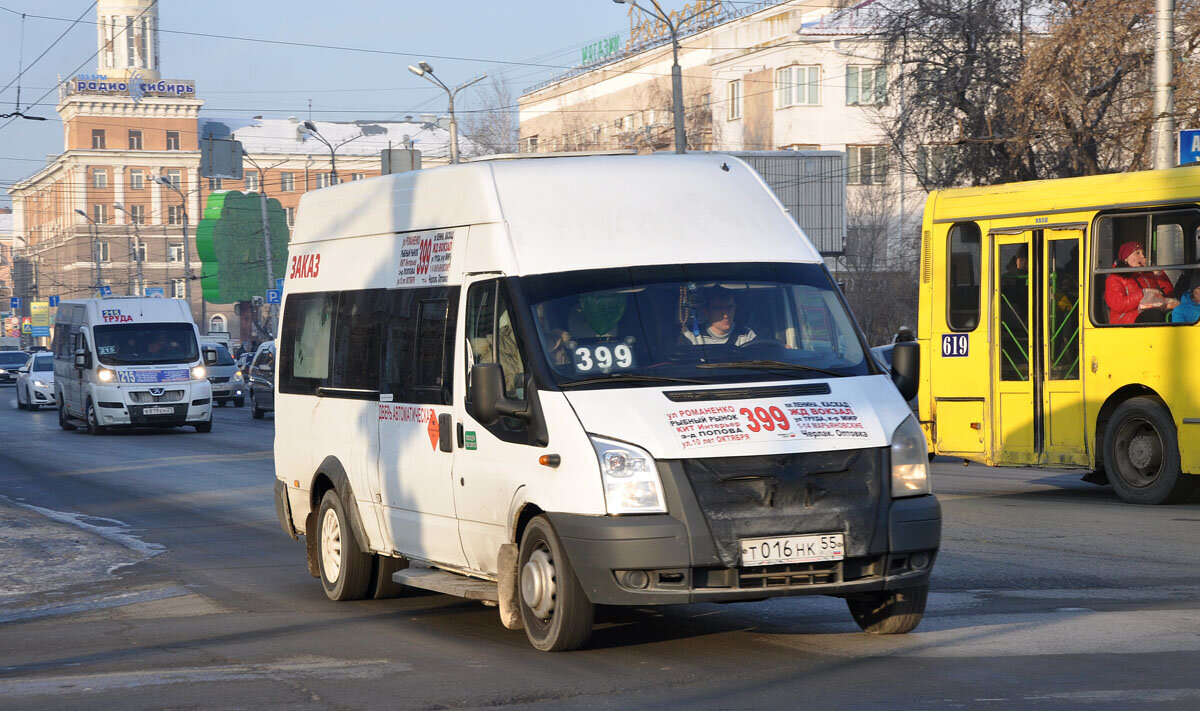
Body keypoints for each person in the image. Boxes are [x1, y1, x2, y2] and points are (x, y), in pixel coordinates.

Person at [1104, 241, 1178, 324]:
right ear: (1126, 258)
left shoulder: (1148, 274)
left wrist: (1159, 275)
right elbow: (1119, 304)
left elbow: (1169, 294)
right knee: (1154, 315)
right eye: (1137, 253)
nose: (1142, 256)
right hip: (1127, 320)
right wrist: (1143, 293)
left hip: (1151, 311)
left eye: (1143, 253)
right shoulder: (1115, 278)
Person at [682, 287, 756, 346]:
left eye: (729, 307)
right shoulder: (691, 335)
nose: (726, 314)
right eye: (718, 308)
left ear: (735, 309)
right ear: (707, 311)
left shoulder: (747, 335)